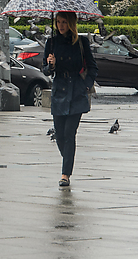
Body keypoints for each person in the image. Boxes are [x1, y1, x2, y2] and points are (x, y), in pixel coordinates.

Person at [42, 11, 98, 187]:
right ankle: (68, 158)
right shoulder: (51, 43)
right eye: (58, 22)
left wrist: (86, 85)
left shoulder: (81, 42)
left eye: (64, 22)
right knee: (59, 134)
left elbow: (92, 67)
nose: (60, 26)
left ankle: (65, 174)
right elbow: (45, 70)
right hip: (59, 90)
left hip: (76, 91)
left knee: (69, 134)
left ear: (71, 23)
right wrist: (50, 65)